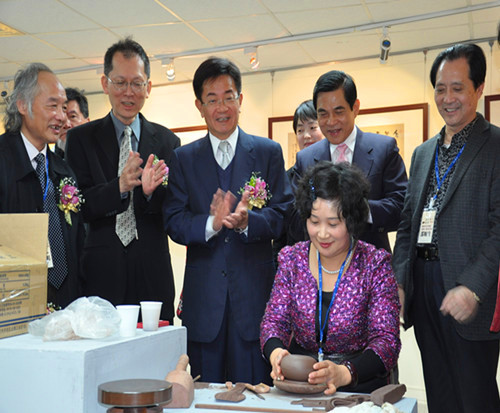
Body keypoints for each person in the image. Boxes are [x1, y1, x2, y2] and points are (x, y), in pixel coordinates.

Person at [163, 57, 294, 384]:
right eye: (212, 99)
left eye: (229, 97)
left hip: (254, 301)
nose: (222, 107)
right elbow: (174, 221)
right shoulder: (183, 158)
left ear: (240, 99)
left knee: (257, 394)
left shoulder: (267, 152)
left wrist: (249, 222)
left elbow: (283, 214)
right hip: (204, 303)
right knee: (202, 395)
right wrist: (211, 223)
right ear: (200, 106)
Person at [392, 43, 500, 413]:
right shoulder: (423, 153)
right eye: (440, 89)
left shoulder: (496, 146)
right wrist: (400, 282)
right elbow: (407, 225)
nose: (447, 98)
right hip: (424, 288)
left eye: (457, 88)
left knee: (475, 398)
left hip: (469, 292)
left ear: (478, 88)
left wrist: (473, 287)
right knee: (439, 396)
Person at [261, 161, 400, 395]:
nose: (322, 233)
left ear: (352, 220)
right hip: (300, 384)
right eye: (314, 222)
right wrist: (276, 354)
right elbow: (274, 322)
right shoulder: (292, 259)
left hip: (359, 388)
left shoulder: (375, 264)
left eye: (333, 224)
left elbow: (386, 341)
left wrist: (344, 372)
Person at [66, 37, 180, 323]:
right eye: (120, 82)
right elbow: (78, 207)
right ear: (105, 84)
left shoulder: (167, 141)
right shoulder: (80, 139)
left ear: (148, 87)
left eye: (137, 83)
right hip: (101, 274)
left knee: (155, 350)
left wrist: (150, 194)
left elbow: (174, 211)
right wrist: (118, 187)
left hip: (152, 275)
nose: (128, 93)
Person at [291, 70, 407, 252]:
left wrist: (359, 209)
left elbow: (402, 207)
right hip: (320, 263)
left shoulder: (384, 149)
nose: (331, 122)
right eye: (323, 114)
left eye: (339, 112)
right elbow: (295, 218)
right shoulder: (305, 159)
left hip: (371, 262)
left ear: (355, 108)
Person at [0, 63, 85, 308]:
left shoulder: (64, 170)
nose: (61, 116)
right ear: (22, 105)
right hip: (13, 305)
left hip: (66, 303)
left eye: (64, 107)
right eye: (52, 106)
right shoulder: (4, 160)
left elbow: (78, 243)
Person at [55, 87, 90, 158]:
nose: (66, 125)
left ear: (88, 123)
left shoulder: (103, 155)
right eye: (61, 119)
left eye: (72, 116)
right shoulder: (48, 162)